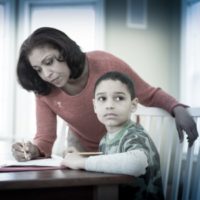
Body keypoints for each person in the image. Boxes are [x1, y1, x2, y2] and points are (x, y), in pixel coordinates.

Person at [12, 27, 198, 161]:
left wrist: (177, 108)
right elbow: (45, 139)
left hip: (122, 150)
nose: (46, 74)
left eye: (49, 62)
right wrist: (32, 150)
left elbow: (148, 94)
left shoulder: (105, 64)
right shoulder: (44, 90)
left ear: (65, 51)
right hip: (83, 154)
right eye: (38, 69)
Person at [61, 71, 165, 200]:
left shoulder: (135, 135)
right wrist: (80, 156)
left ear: (133, 105)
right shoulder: (105, 140)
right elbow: (110, 164)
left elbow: (137, 163)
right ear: (95, 106)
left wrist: (81, 162)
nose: (109, 106)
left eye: (119, 98)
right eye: (102, 99)